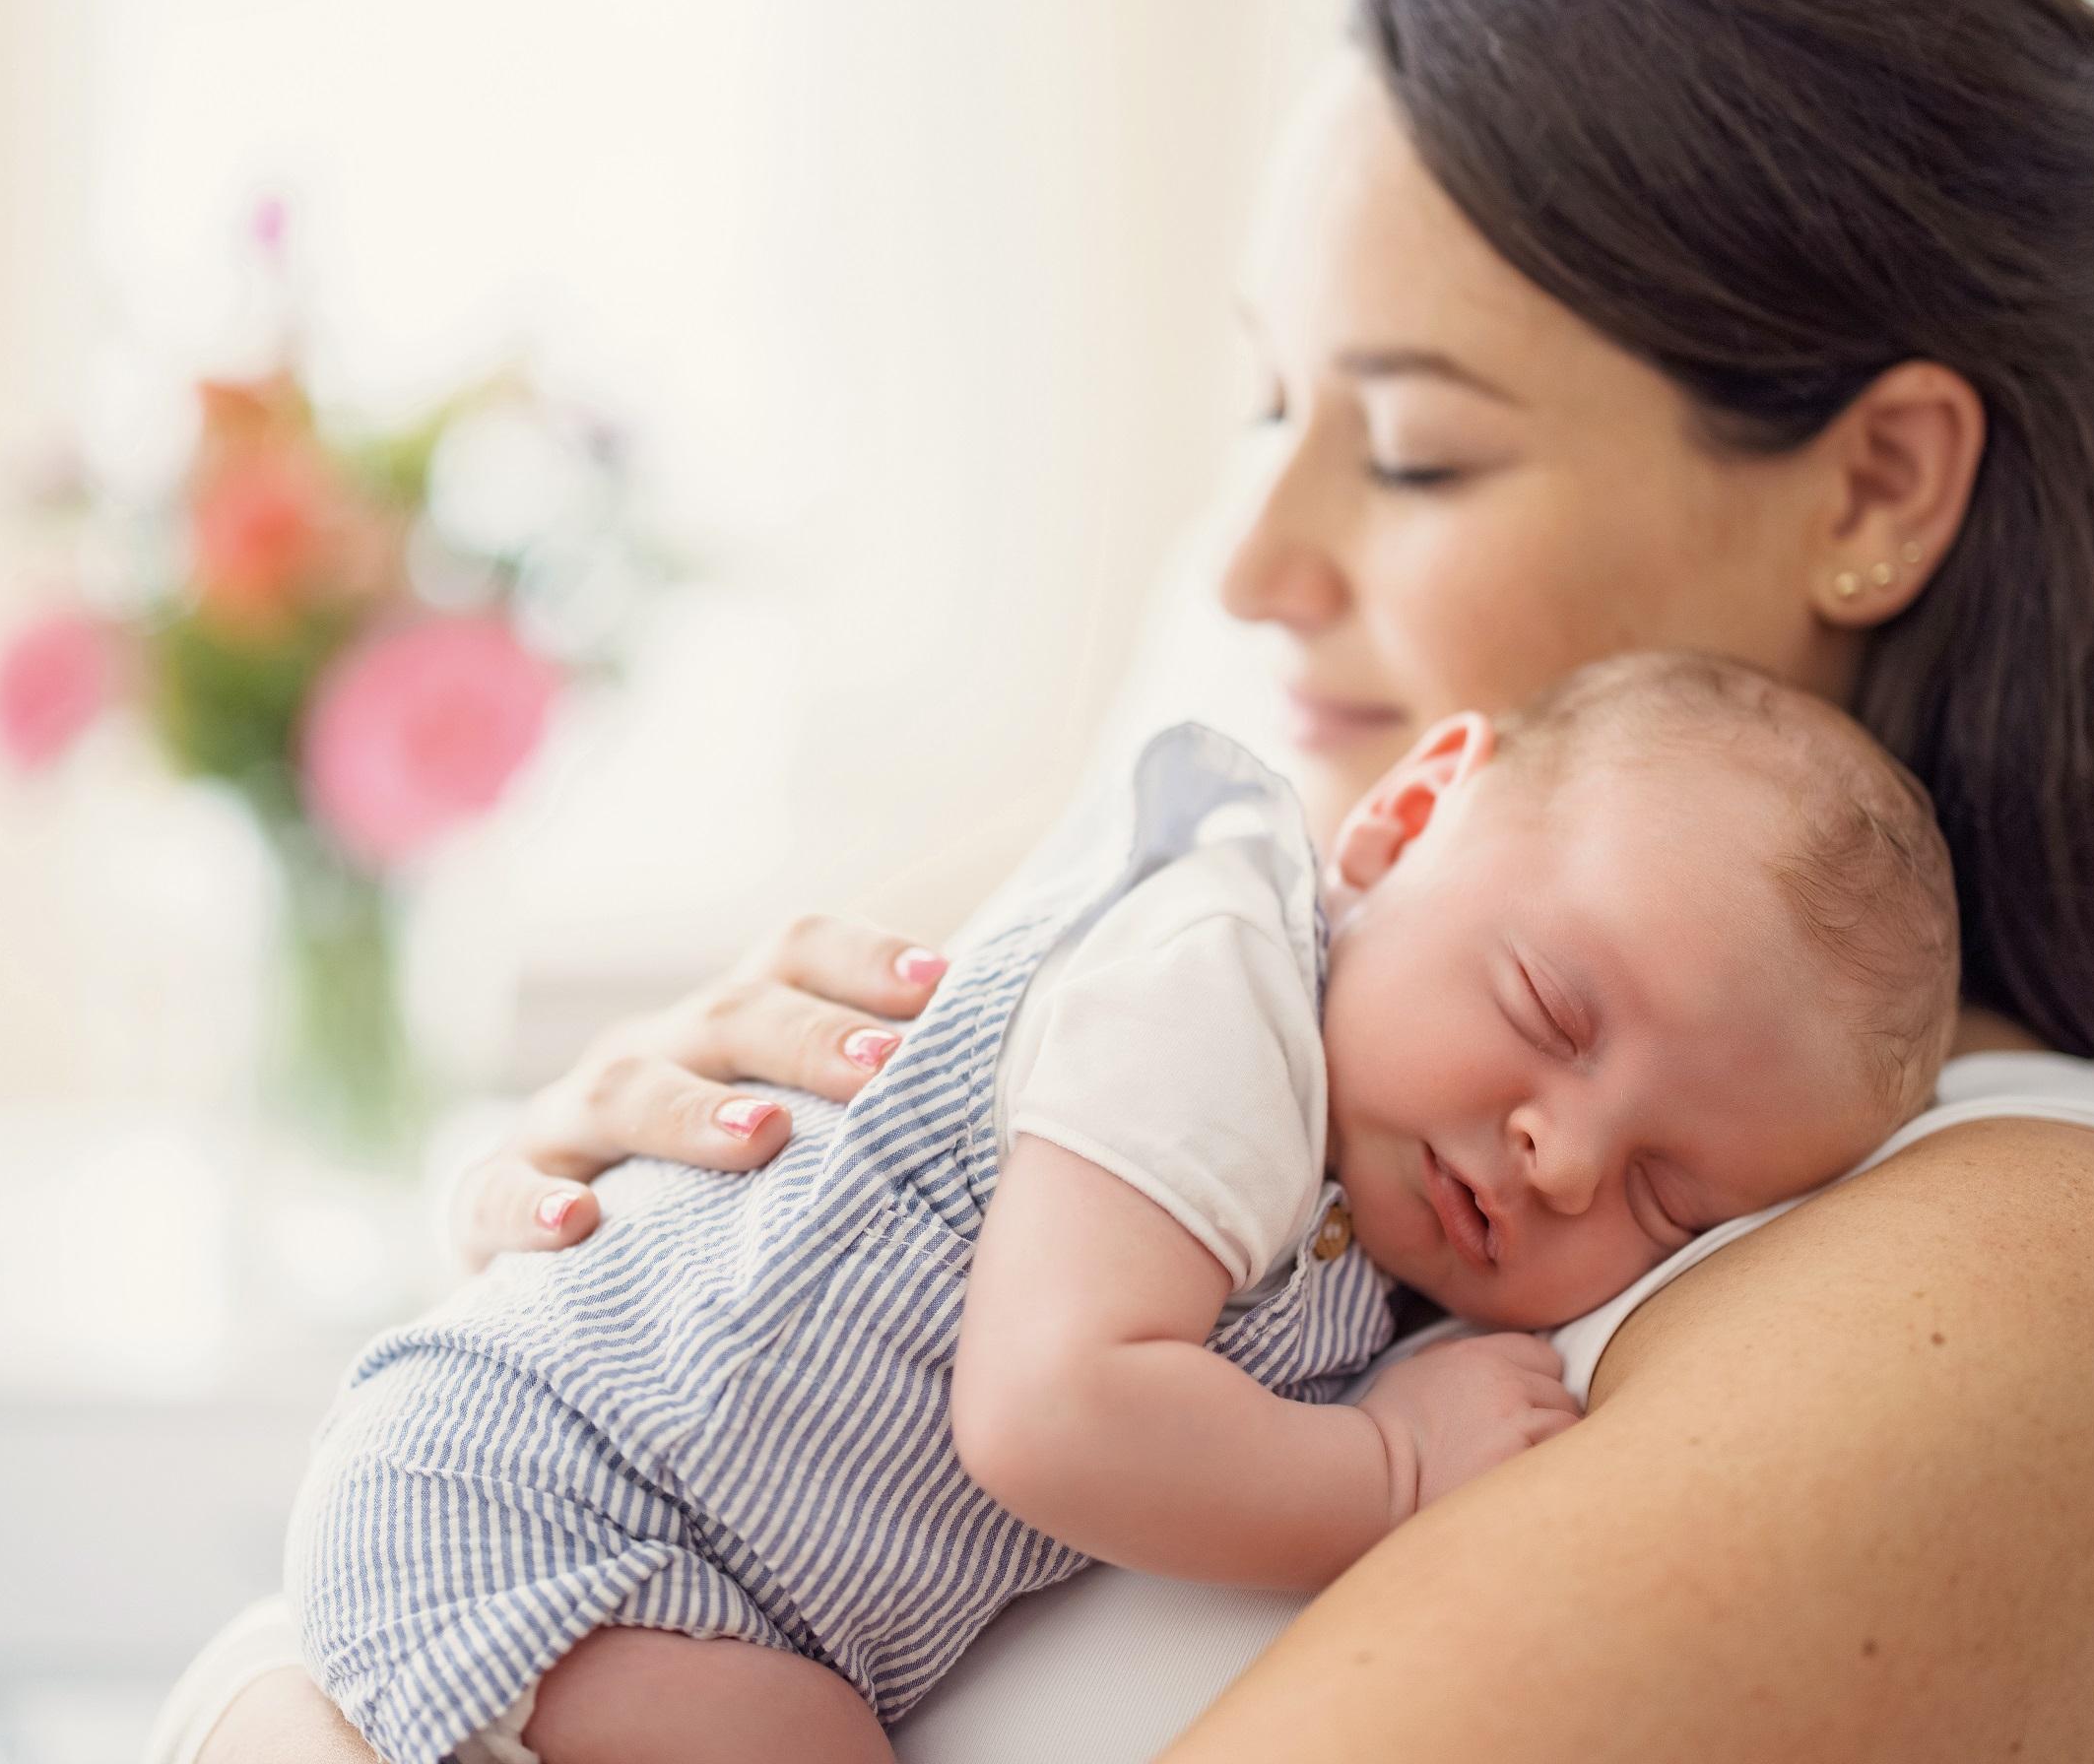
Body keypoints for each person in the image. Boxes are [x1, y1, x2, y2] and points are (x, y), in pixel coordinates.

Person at [169, 0, 2094, 1764]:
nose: (1245, 568)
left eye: (1416, 448)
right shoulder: (1264, 978)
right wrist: (571, 1250)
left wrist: (296, 1692)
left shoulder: (2033, 1305)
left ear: (1878, 484)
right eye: (1265, 409)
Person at [280, 655, 1960, 1764]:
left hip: (665, 1554)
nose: (1570, 1161)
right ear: (1406, 812)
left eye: (1672, 1198)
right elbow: (1052, 1411)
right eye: (1549, 1009)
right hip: (561, 1498)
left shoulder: (1368, 1193)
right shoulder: (1217, 995)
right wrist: (1392, 1467)